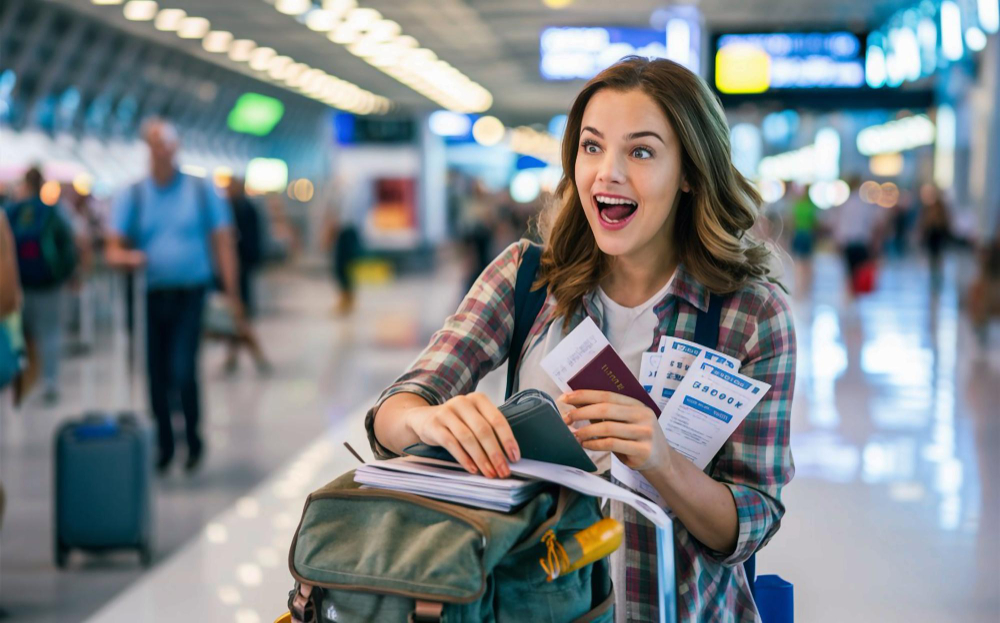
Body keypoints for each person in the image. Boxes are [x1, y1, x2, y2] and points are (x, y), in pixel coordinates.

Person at [366, 57, 795, 622]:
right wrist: (427, 420)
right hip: (535, 606)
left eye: (640, 152)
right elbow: (391, 414)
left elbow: (752, 521)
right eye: (592, 147)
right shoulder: (527, 279)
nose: (607, 173)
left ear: (690, 171)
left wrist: (663, 462)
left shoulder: (752, 314)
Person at [106, 118, 245, 474]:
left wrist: (233, 295)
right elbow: (112, 248)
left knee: (183, 368)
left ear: (176, 146)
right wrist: (129, 257)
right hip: (150, 296)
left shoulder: (200, 190)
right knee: (155, 372)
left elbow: (223, 241)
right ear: (147, 148)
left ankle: (193, 440)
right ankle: (165, 444)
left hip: (191, 293)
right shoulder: (133, 194)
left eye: (167, 143)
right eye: (155, 143)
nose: (162, 150)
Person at [5, 166, 78, 405]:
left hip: (19, 284)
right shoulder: (54, 212)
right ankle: (50, 382)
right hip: (48, 284)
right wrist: (66, 273)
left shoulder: (12, 212)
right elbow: (70, 243)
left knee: (20, 334)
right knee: (50, 332)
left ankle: (20, 381)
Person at [222, 177, 270, 374]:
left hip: (240, 270)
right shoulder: (234, 208)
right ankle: (234, 357)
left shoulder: (243, 209)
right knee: (235, 317)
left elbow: (245, 242)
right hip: (238, 269)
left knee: (239, 316)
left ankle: (257, 356)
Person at [833, 176, 882, 297]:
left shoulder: (845, 204)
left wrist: (838, 242)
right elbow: (872, 224)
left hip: (848, 243)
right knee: (859, 273)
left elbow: (840, 225)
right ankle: (855, 298)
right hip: (861, 243)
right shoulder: (864, 205)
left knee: (849, 274)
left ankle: (851, 297)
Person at [919, 184, 951, 289]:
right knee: (933, 261)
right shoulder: (928, 208)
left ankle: (938, 281)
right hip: (932, 239)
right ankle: (934, 280)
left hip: (939, 239)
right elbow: (925, 224)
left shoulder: (941, 209)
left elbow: (946, 225)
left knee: (938, 260)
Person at [789, 184, 818, 294]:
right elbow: (815, 223)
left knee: (799, 262)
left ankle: (800, 286)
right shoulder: (811, 206)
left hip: (800, 234)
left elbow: (792, 222)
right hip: (807, 235)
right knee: (807, 261)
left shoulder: (798, 205)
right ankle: (806, 285)